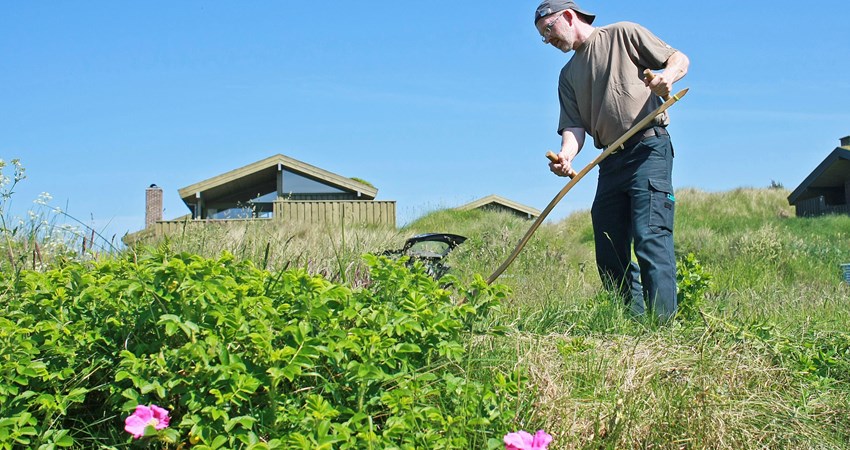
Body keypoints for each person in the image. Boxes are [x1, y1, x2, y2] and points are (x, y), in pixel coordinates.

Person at [534, 0, 689, 320]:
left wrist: (666, 77)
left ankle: (663, 333)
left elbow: (678, 57)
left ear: (567, 16)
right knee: (608, 250)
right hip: (610, 161)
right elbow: (574, 128)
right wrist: (566, 155)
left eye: (548, 30)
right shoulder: (567, 75)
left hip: (648, 149)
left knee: (650, 239)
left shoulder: (623, 34)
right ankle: (630, 329)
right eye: (543, 37)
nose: (548, 40)